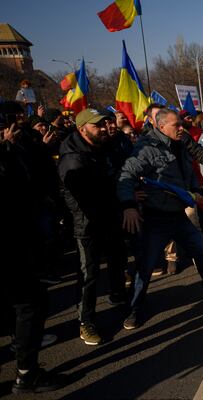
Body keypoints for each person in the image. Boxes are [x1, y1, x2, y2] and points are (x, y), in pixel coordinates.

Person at [118, 109, 203, 330]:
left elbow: (195, 153)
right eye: (176, 125)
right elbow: (125, 176)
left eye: (182, 124)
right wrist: (129, 205)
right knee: (146, 266)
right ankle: (133, 309)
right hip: (156, 218)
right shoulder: (146, 148)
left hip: (179, 215)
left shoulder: (180, 139)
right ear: (160, 127)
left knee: (202, 252)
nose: (182, 128)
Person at [1, 124, 67, 394]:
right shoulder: (7, 158)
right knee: (30, 303)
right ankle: (27, 375)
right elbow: (23, 186)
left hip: (16, 244)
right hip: (12, 247)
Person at [58, 109, 128, 345]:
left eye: (104, 123)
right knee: (89, 274)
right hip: (87, 224)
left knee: (118, 258)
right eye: (97, 125)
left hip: (110, 217)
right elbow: (81, 197)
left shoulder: (104, 146)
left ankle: (118, 296)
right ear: (83, 129)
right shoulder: (73, 158)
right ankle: (85, 321)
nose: (103, 128)